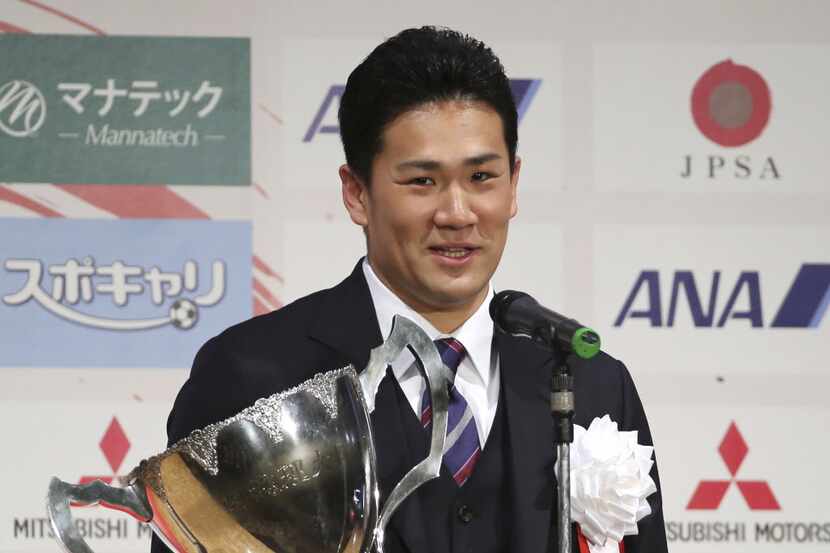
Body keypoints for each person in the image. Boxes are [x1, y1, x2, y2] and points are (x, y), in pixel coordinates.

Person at [151, 26, 668, 553]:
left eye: (482, 177)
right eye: (422, 182)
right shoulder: (251, 375)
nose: (458, 213)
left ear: (514, 183)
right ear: (356, 193)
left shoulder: (592, 385)